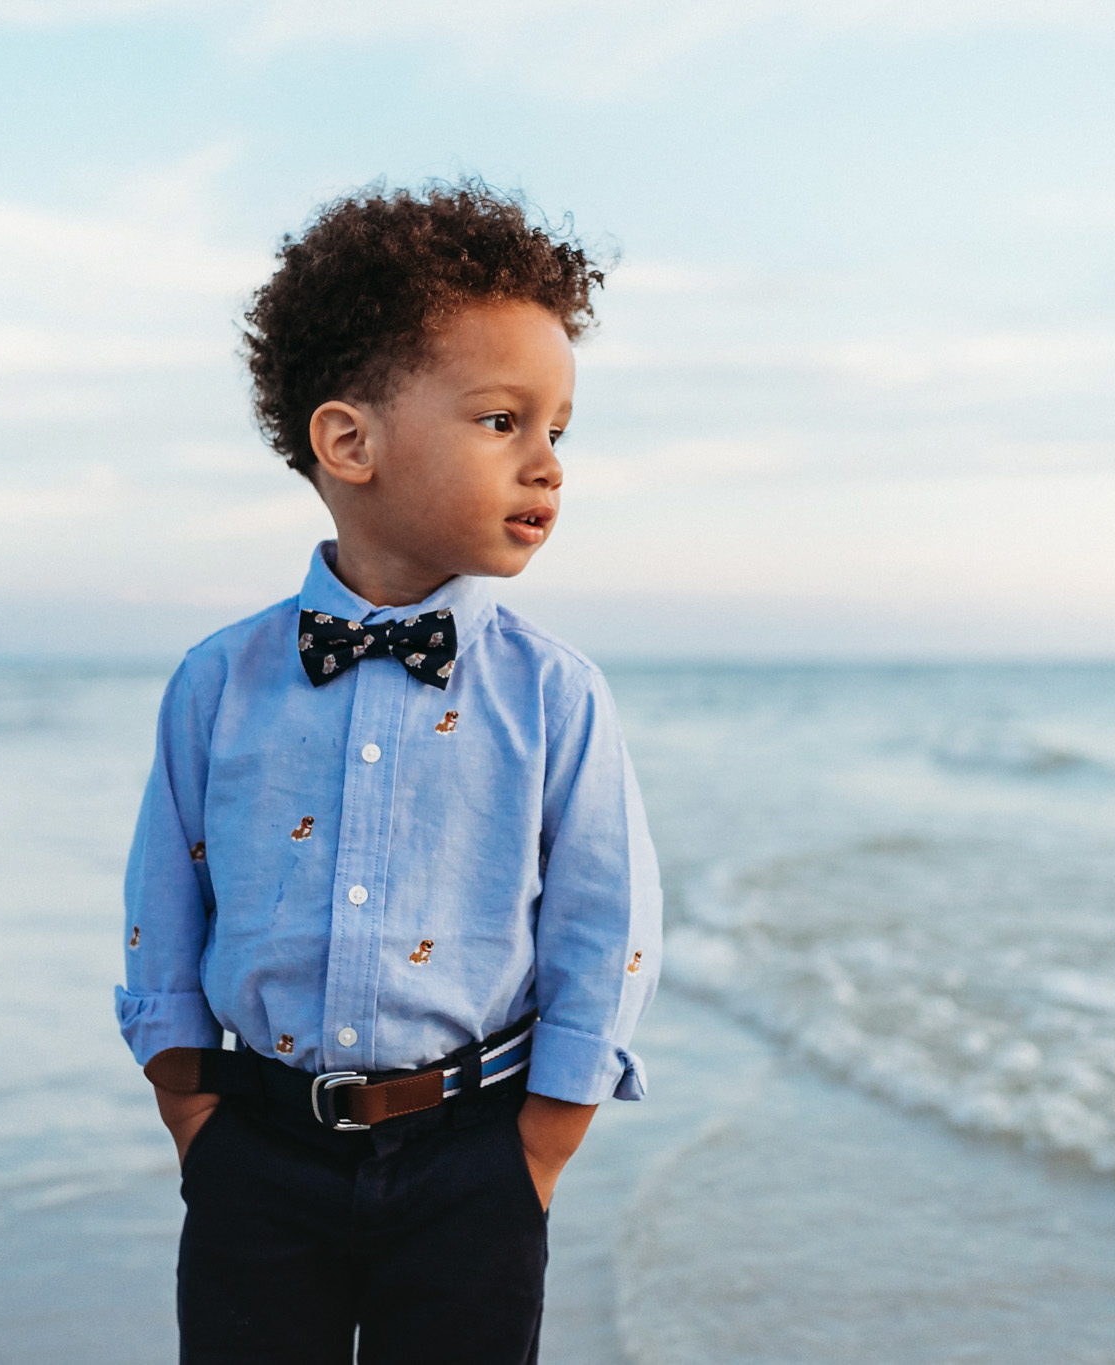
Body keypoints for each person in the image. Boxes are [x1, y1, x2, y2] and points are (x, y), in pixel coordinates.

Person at [114, 180, 661, 1365]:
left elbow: (604, 924)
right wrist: (189, 1103)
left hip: (476, 1152)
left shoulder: (554, 694)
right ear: (349, 441)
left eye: (558, 431)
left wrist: (545, 1141)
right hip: (256, 1148)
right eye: (500, 421)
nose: (548, 466)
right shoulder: (217, 683)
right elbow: (166, 897)